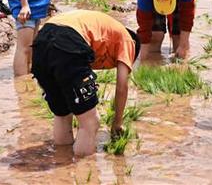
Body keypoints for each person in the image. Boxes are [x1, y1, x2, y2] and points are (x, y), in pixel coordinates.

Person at [31, 10, 140, 157]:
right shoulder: (128, 40)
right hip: (68, 43)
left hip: (41, 43)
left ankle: (62, 165)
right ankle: (85, 172)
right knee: (90, 122)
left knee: (62, 114)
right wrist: (117, 123)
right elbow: (122, 85)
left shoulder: (103, 30)